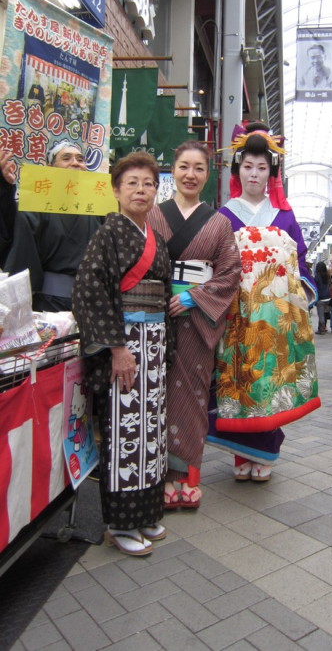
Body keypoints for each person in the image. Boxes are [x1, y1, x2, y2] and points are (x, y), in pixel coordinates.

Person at [72, 152, 172, 557]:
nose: (141, 190)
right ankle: (119, 522)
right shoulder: (109, 234)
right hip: (126, 346)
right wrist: (116, 348)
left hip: (154, 346)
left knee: (151, 431)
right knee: (124, 432)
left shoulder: (156, 239)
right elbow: (89, 293)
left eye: (148, 183)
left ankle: (145, 512)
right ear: (115, 190)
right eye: (131, 182)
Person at [207, 127, 319, 483]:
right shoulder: (223, 216)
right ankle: (241, 453)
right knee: (239, 380)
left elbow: (299, 263)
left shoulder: (284, 216)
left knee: (271, 381)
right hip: (237, 313)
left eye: (261, 168)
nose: (254, 174)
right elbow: (214, 264)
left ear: (271, 175)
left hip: (275, 313)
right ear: (237, 171)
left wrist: (299, 298)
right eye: (248, 167)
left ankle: (267, 451)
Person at [147, 140, 241, 509]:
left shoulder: (218, 222)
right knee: (159, 394)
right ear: (174, 168)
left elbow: (231, 272)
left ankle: (189, 476)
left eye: (199, 168)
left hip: (197, 319)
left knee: (194, 395)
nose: (190, 174)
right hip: (158, 316)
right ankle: (161, 475)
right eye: (184, 166)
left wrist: (192, 296)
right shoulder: (154, 214)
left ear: (208, 174)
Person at [4, 140, 102, 311]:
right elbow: (16, 237)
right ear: (50, 167)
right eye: (66, 158)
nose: (75, 163)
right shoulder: (35, 205)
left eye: (80, 159)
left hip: (92, 301)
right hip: (49, 302)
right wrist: (4, 188)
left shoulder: (99, 207)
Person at [314, 261, 331, 334]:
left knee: (321, 315)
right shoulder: (327, 276)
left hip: (320, 298)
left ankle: (322, 329)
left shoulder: (317, 277)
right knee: (325, 313)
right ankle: (322, 328)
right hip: (328, 297)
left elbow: (315, 287)